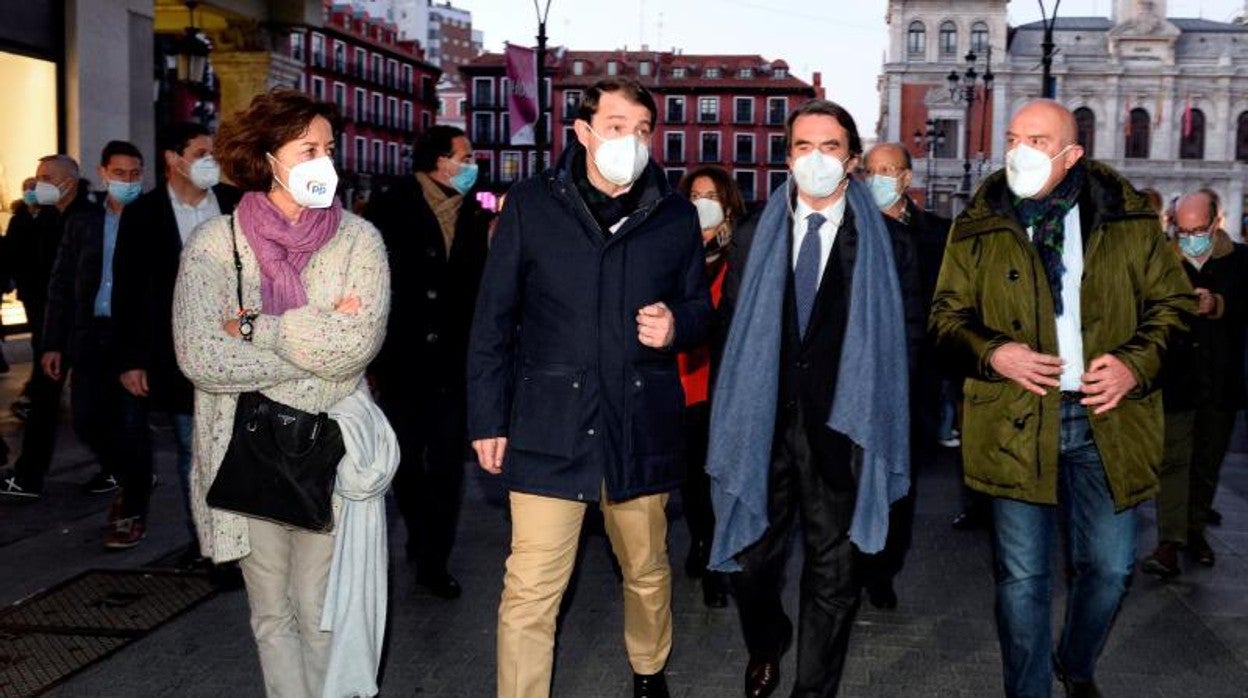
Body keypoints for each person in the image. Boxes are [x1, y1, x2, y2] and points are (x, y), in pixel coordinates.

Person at [928, 99, 1194, 697]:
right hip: (1017, 416)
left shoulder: (1126, 217)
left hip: (1108, 416)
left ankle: (1075, 662)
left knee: (1111, 568)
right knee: (1022, 578)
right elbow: (945, 317)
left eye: (1039, 140)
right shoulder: (978, 221)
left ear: (1072, 154)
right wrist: (994, 352)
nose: (1021, 150)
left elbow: (1174, 307)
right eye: (1015, 137)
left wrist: (1134, 365)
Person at [467, 77, 712, 698]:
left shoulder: (675, 214)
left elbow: (701, 309)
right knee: (529, 587)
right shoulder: (530, 204)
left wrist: (678, 323)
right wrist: (486, 419)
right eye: (615, 126)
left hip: (639, 423)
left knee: (648, 571)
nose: (630, 141)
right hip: (550, 425)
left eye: (642, 130)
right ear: (582, 131)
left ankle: (649, 667)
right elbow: (493, 319)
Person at [172, 88, 390, 697]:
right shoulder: (214, 243)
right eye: (308, 148)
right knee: (271, 615)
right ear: (268, 156)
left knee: (321, 611)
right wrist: (317, 336)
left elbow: (354, 351)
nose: (326, 160)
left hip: (327, 450)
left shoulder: (359, 240)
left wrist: (253, 326)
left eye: (329, 148)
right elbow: (199, 356)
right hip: (244, 450)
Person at [708, 100, 918, 698]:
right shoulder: (751, 237)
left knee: (834, 573)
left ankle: (813, 690)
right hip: (761, 427)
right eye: (804, 146)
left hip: (845, 431)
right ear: (788, 156)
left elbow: (908, 340)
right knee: (751, 564)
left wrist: (894, 428)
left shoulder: (890, 245)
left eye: (830, 147)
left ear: (851, 159)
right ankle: (768, 638)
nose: (816, 159)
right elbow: (729, 333)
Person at [364, 124, 491, 599]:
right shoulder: (389, 207)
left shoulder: (475, 216)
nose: (472, 162)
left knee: (446, 467)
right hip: (402, 359)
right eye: (466, 154)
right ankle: (418, 529)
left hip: (454, 364)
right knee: (404, 461)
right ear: (440, 160)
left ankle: (434, 559)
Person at [112, 123, 241, 562]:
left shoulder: (233, 205)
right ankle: (210, 544)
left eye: (214, 153)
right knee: (194, 448)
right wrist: (131, 359)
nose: (211, 160)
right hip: (176, 353)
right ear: (173, 159)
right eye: (201, 151)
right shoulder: (144, 215)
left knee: (235, 447)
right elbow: (126, 291)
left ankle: (238, 537)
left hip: (237, 350)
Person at [856, 141, 951, 608]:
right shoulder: (849, 231)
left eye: (889, 170)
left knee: (901, 481)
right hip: (858, 383)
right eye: (871, 170)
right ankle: (853, 561)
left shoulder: (938, 235)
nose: (879, 177)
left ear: (907, 179)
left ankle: (883, 567)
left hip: (914, 384)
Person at [40, 140, 149, 546]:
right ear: (103, 173)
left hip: (131, 340)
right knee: (86, 421)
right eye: (120, 173)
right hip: (88, 337)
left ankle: (132, 509)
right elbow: (62, 283)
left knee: (132, 424)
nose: (128, 180)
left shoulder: (150, 220)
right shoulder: (83, 221)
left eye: (135, 173)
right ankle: (133, 477)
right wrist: (53, 343)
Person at [1142, 189, 1248, 578]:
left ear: (1216, 222)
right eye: (1182, 230)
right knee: (1173, 461)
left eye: (1198, 229)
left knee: (1207, 463)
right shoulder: (1161, 261)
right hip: (1174, 380)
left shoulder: (1239, 261)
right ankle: (1169, 542)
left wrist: (1218, 305)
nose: (1190, 237)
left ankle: (1195, 531)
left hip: (1220, 381)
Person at [0, 154, 102, 499]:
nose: (37, 182)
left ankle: (127, 470)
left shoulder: (87, 220)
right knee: (46, 402)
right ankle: (29, 476)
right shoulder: (43, 217)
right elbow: (23, 260)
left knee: (90, 409)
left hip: (79, 328)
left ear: (67, 182)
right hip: (52, 325)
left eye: (44, 176)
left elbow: (77, 282)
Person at [675, 165, 743, 609]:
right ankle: (701, 539)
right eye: (696, 194)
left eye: (712, 195)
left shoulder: (742, 256)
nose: (703, 201)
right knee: (691, 479)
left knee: (720, 478)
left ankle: (719, 559)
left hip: (723, 387)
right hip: (680, 384)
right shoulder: (673, 253)